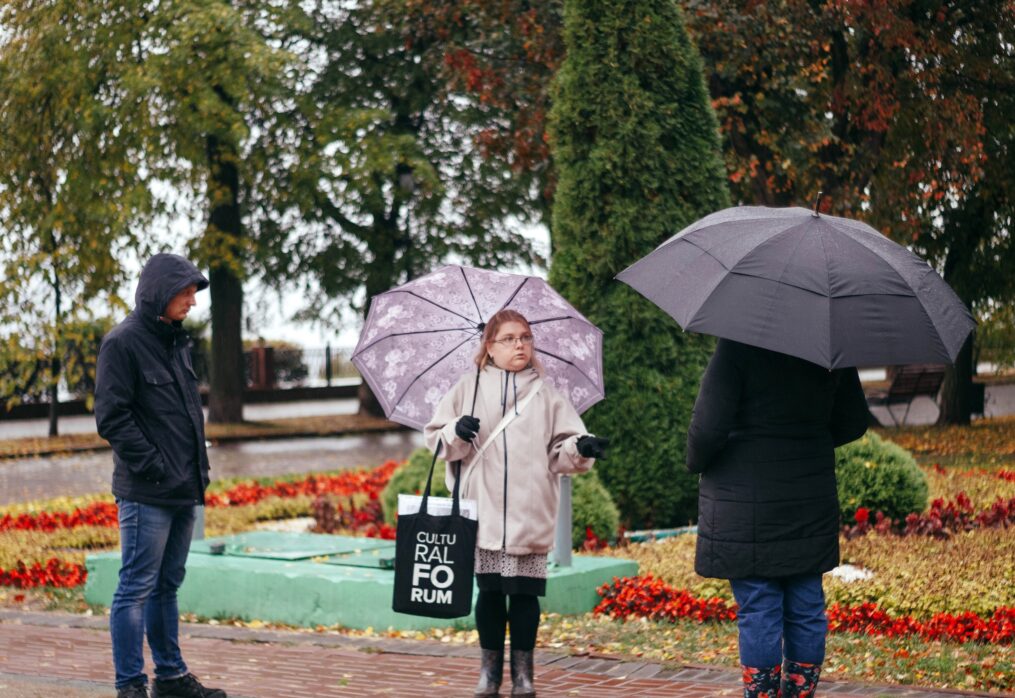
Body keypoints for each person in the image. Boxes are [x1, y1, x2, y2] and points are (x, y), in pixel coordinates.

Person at [424, 309, 610, 698]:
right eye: (508, 338)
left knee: (525, 596)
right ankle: (489, 673)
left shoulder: (547, 393)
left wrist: (581, 447)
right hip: (484, 510)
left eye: (525, 337)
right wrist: (456, 432)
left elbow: (561, 452)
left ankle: (524, 675)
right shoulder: (467, 387)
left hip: (531, 511)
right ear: (489, 347)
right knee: (490, 593)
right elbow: (437, 443)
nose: (520, 345)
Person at [687, 339, 869, 698]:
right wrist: (806, 440)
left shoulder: (737, 346)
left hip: (745, 501)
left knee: (758, 608)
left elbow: (707, 429)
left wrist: (695, 462)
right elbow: (853, 420)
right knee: (806, 605)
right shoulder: (829, 348)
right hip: (808, 498)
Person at [95, 253, 226, 698]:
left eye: (194, 292)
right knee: (135, 587)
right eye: (186, 291)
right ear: (161, 292)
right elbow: (112, 418)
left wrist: (194, 473)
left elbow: (186, 416)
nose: (192, 300)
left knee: (166, 586)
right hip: (146, 492)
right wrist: (154, 466)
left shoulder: (176, 342)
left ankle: (170, 678)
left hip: (183, 489)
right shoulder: (122, 343)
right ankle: (130, 686)